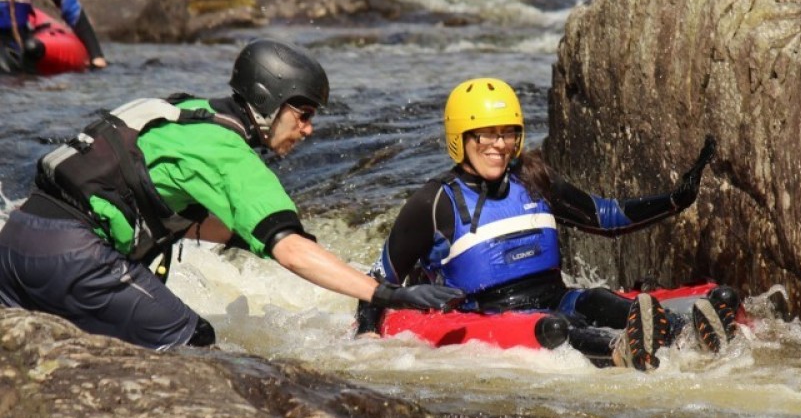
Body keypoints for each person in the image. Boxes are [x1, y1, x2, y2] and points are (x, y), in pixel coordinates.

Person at [0, 38, 464, 350]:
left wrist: (257, 241)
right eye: (301, 112)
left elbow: (189, 217)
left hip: (18, 241)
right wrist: (384, 294)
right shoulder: (228, 153)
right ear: (266, 101)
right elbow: (291, 251)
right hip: (74, 258)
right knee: (194, 340)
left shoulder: (187, 111)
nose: (309, 128)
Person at [355, 77, 739, 370]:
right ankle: (620, 352)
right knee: (559, 327)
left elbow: (606, 217)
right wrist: (367, 339)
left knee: (598, 300)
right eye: (486, 133)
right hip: (494, 315)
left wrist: (674, 199)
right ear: (461, 137)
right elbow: (377, 278)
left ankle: (690, 334)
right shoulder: (434, 202)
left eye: (508, 133)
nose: (499, 144)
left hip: (557, 296)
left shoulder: (534, 178)